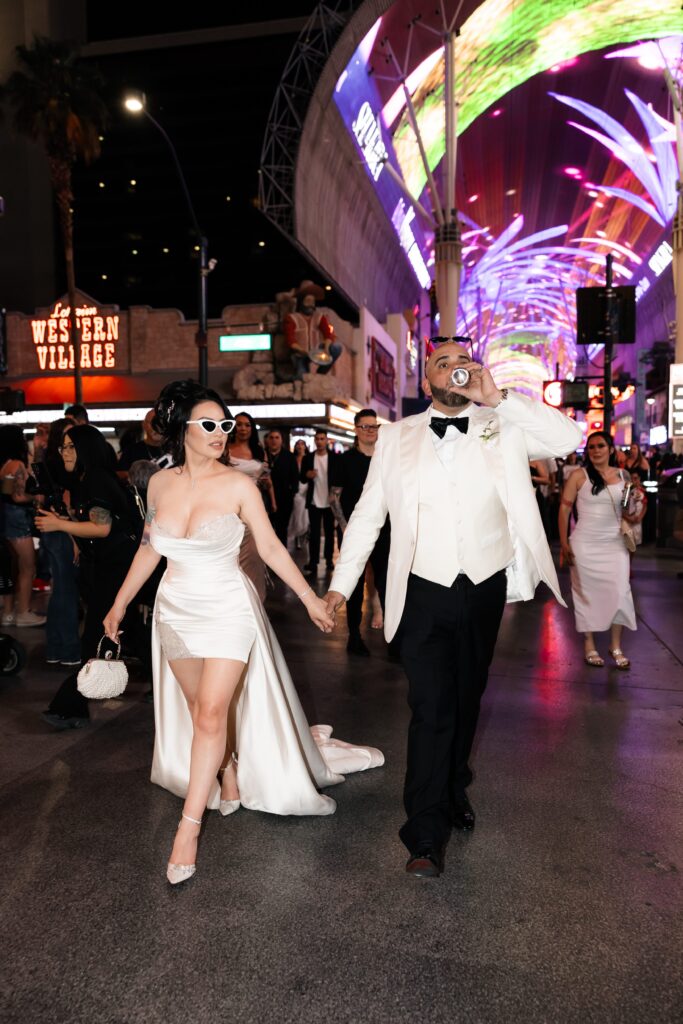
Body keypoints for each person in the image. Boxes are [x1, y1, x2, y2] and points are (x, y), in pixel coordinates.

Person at [103, 380, 383, 886]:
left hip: (228, 607)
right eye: (208, 425)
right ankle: (227, 768)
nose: (219, 433)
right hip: (175, 610)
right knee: (199, 711)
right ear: (181, 430)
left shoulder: (239, 485)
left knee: (212, 711)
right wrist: (119, 605)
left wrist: (312, 600)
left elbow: (273, 549)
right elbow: (149, 549)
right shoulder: (159, 484)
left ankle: (187, 829)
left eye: (226, 425)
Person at [324, 339, 583, 879]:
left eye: (465, 361)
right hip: (421, 590)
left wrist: (500, 394)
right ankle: (424, 830)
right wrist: (340, 587)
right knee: (432, 706)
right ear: (427, 383)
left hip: (484, 585)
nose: (458, 369)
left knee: (467, 698)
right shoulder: (396, 438)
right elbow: (369, 517)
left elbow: (568, 437)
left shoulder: (502, 425)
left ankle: (453, 784)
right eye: (445, 362)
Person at [36, 424, 143, 729]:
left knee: (95, 635)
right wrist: (73, 536)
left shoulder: (96, 479)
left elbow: (102, 528)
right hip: (108, 567)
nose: (64, 452)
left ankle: (69, 707)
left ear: (85, 449)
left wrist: (60, 526)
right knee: (125, 631)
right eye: (63, 447)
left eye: (70, 447)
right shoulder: (88, 479)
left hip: (116, 568)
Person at [558, 431, 637, 671]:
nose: (595, 450)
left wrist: (633, 500)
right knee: (586, 595)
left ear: (611, 449)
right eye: (591, 447)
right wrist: (564, 543)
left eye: (600, 445)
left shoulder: (624, 476)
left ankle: (615, 647)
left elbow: (628, 513)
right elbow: (564, 511)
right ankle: (589, 645)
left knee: (620, 592)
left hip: (614, 544)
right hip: (585, 544)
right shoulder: (578, 476)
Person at [329, 408, 389, 657]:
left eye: (373, 426)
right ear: (355, 429)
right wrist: (345, 528)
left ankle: (394, 637)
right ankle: (354, 635)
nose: (369, 431)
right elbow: (334, 497)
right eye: (364, 426)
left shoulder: (386, 459)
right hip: (353, 529)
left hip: (386, 530)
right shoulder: (344, 461)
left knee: (387, 581)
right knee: (354, 582)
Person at [39, 418, 81, 666]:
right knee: (66, 591)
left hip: (52, 527)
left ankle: (56, 648)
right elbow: (65, 504)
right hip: (61, 528)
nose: (69, 445)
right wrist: (74, 538)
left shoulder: (48, 462)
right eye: (66, 440)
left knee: (60, 592)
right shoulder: (62, 465)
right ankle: (67, 649)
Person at [0, 424, 46, 627]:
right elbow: (17, 497)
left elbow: (7, 493)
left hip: (6, 519)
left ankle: (9, 613)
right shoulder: (17, 464)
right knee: (27, 567)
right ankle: (24, 612)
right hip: (18, 520)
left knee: (10, 567)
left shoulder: (5, 464)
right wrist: (36, 498)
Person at [227, 411, 275, 601]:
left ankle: (255, 600)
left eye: (247, 425)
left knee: (254, 555)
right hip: (229, 506)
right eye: (239, 424)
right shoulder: (225, 449)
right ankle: (234, 599)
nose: (243, 428)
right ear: (233, 427)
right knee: (231, 554)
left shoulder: (259, 450)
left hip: (254, 505)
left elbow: (265, 477)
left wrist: (268, 490)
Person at [284, 281, 343, 380]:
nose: (311, 305)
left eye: (313, 302)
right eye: (308, 301)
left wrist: (326, 348)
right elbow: (290, 341)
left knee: (336, 348)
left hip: (316, 350)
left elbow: (328, 335)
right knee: (301, 377)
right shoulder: (292, 318)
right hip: (301, 353)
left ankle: (320, 374)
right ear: (301, 302)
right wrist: (303, 351)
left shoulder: (319, 317)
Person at [301, 428, 338, 576]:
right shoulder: (308, 458)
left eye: (322, 438)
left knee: (329, 533)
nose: (320, 441)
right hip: (314, 501)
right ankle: (313, 562)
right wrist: (307, 475)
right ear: (315, 440)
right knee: (314, 533)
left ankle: (329, 560)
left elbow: (339, 478)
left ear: (326, 440)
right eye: (317, 439)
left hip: (330, 502)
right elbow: (301, 478)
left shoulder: (335, 458)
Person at [264, 428, 299, 546]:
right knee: (265, 529)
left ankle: (281, 555)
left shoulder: (289, 456)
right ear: (267, 440)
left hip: (285, 499)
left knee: (282, 529)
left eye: (277, 437)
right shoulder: (262, 455)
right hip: (265, 498)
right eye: (271, 437)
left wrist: (291, 493)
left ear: (281, 441)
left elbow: (295, 477)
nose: (274, 440)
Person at [287, 438, 310, 551]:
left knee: (305, 516)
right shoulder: (293, 459)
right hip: (297, 489)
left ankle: (303, 535)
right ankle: (297, 536)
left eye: (302, 444)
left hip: (307, 488)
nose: (300, 446)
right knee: (297, 514)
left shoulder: (309, 459)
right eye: (298, 444)